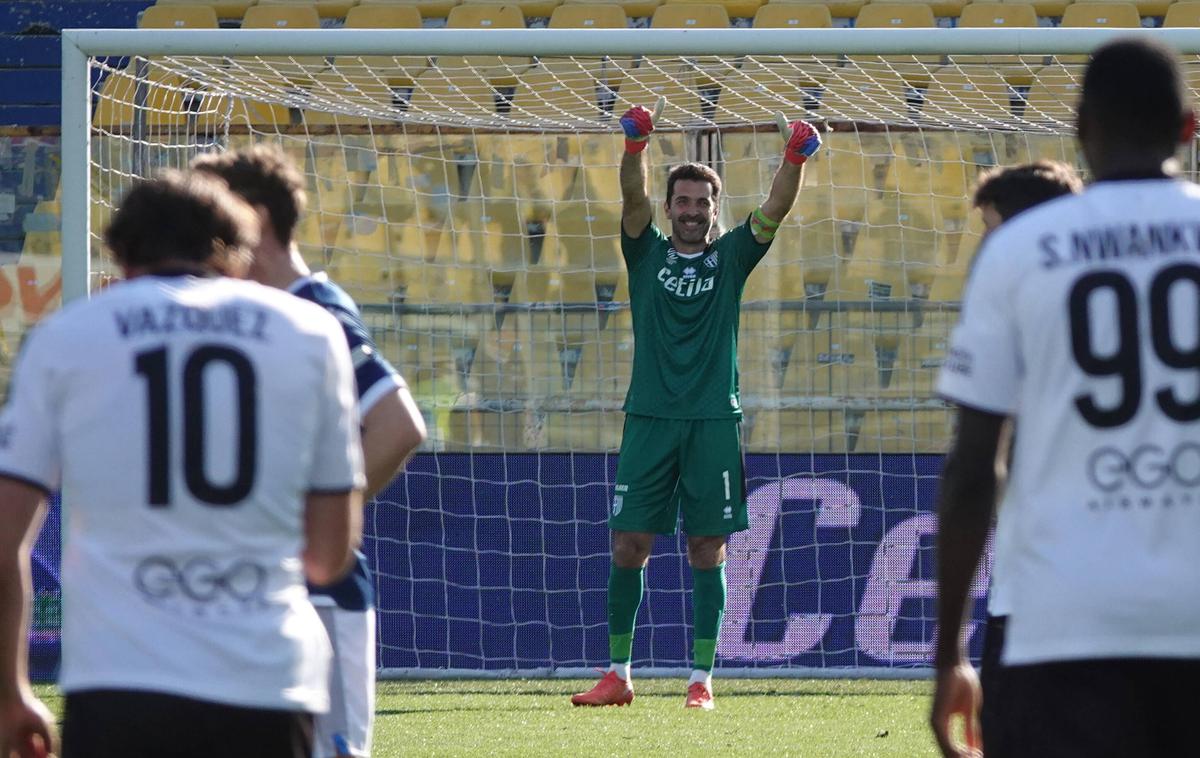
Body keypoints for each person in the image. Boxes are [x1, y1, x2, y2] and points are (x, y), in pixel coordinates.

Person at [0, 170, 365, 758]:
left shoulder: (67, 337)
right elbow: (328, 557)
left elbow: (4, 536)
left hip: (120, 680)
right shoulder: (310, 332)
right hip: (268, 676)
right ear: (237, 255)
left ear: (120, 253)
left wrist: (10, 691)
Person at [931, 37, 1200, 758]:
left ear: (1080, 127)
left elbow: (971, 469)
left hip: (1062, 628)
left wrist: (949, 652)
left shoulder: (1018, 250)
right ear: (1189, 128)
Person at [571, 105, 820, 710]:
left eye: (700, 203)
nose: (689, 211)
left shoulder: (732, 256)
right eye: (680, 201)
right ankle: (618, 675)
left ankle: (701, 681)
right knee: (629, 544)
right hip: (650, 419)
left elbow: (777, 208)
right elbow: (631, 201)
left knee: (706, 548)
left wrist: (796, 157)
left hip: (712, 420)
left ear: (713, 211)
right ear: (669, 207)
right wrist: (636, 148)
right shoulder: (645, 252)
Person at [192, 145, 426, 758]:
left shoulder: (314, 311)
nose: (201, 248)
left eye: (211, 224)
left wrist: (311, 533)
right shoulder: (258, 316)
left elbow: (400, 425)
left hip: (318, 598)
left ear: (255, 221)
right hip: (258, 594)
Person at [965, 160, 1083, 758]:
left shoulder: (1014, 312)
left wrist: (945, 661)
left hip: (1035, 595)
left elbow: (975, 466)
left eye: (993, 229)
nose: (986, 246)